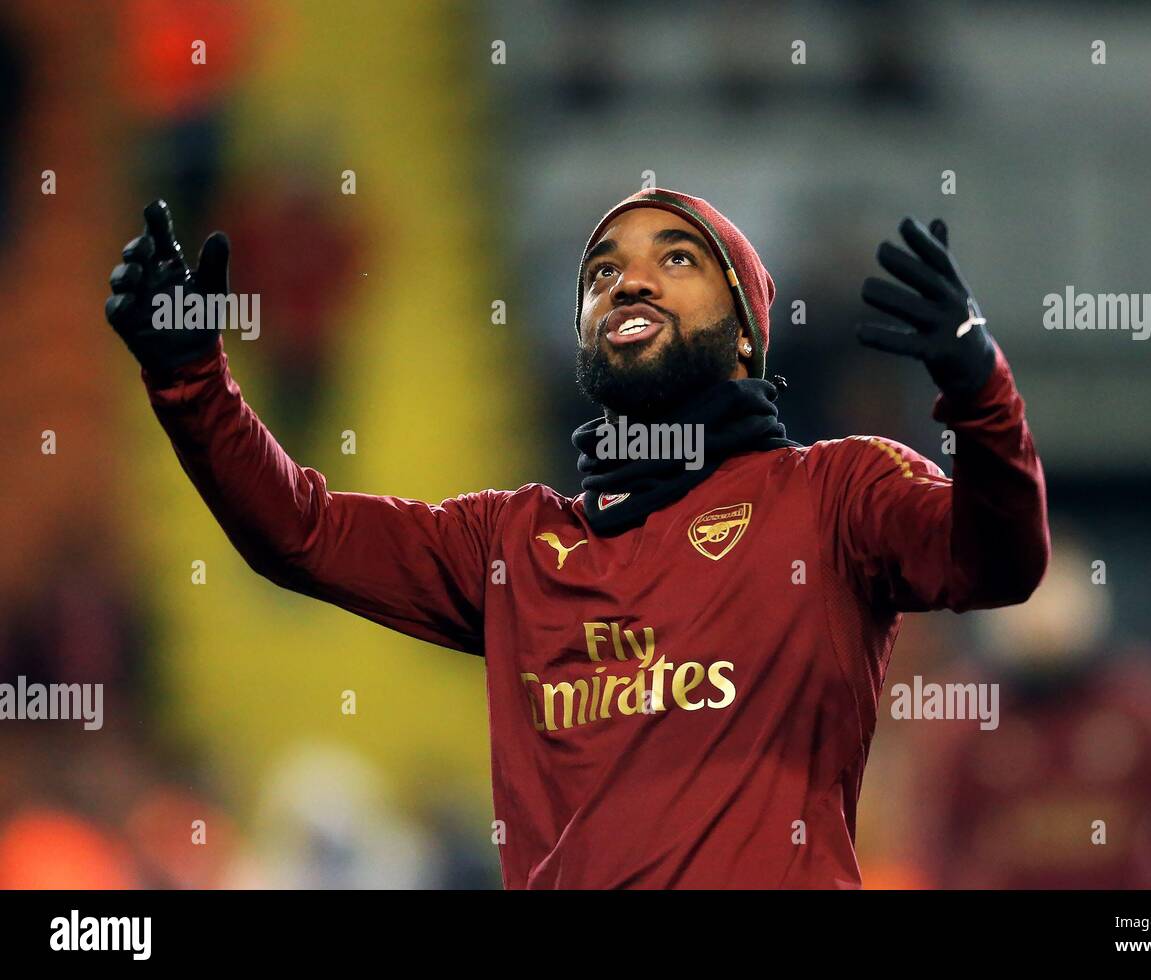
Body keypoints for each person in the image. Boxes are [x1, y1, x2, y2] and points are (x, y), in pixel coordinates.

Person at [104, 188, 1050, 889]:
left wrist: (978, 387)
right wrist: (191, 377)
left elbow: (998, 560)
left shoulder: (834, 495)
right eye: (601, 271)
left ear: (749, 335)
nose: (628, 277)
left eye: (677, 257)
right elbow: (298, 532)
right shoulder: (513, 543)